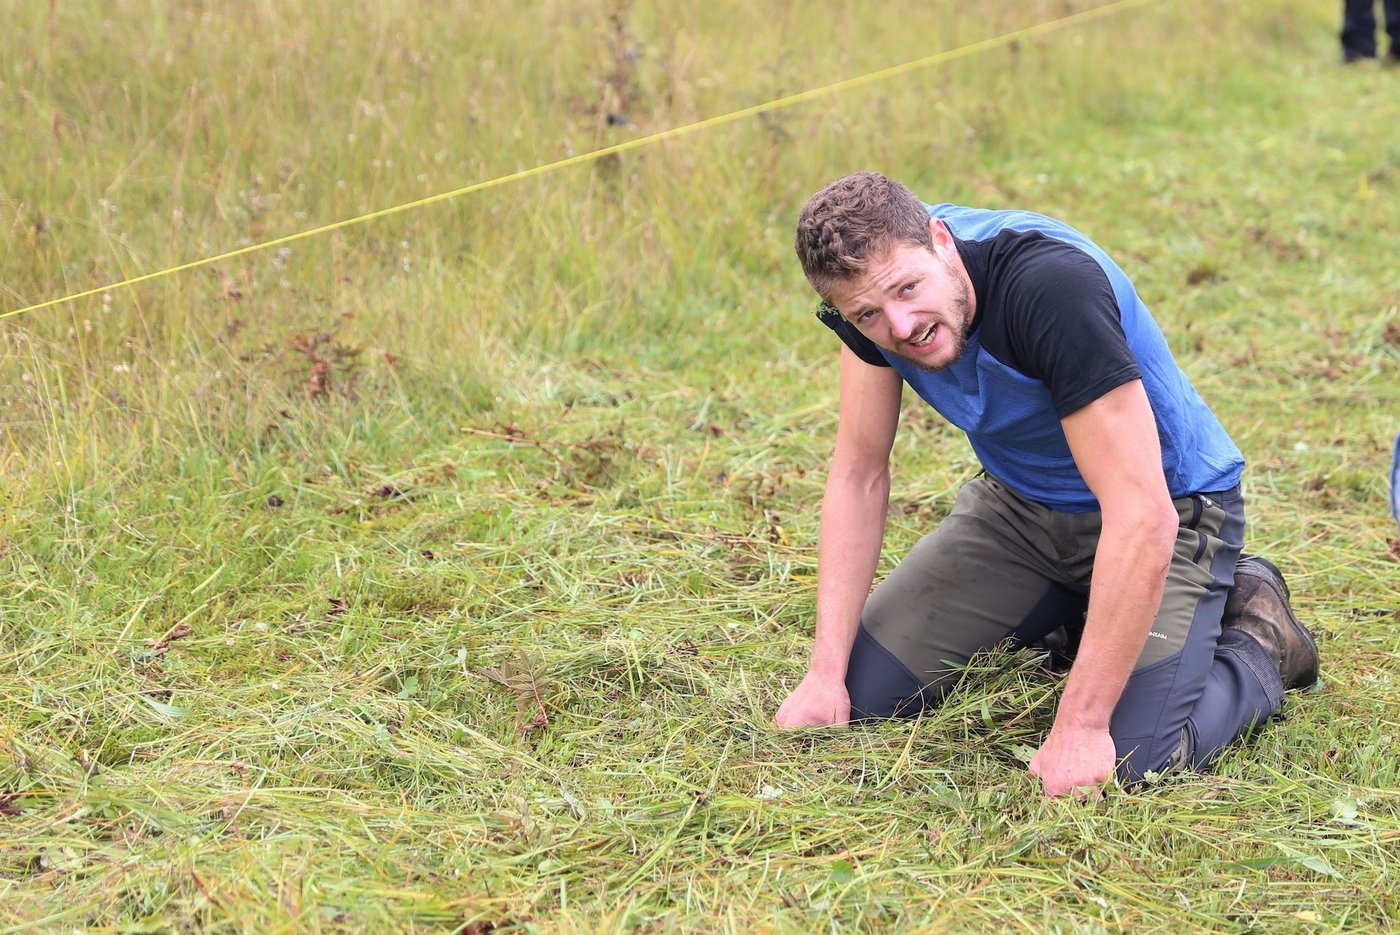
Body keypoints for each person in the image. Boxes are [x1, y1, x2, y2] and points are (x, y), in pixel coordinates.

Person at [774, 172, 1319, 798]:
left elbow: (1142, 513)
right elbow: (859, 473)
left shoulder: (1049, 286)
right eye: (868, 314)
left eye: (908, 289)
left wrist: (1080, 725)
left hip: (1171, 513)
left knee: (1129, 760)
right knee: (863, 695)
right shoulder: (870, 289)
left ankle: (1257, 634)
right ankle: (1079, 613)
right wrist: (823, 672)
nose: (901, 326)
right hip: (1017, 512)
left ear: (941, 240)